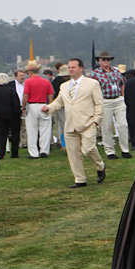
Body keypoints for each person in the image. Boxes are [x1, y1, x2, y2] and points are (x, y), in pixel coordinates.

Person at [42, 58, 106, 188]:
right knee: (73, 153)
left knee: (88, 149)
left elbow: (99, 104)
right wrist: (48, 108)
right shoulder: (64, 86)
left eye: (73, 67)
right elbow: (59, 102)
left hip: (88, 123)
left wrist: (96, 120)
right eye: (69, 67)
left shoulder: (92, 84)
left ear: (81, 68)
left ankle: (100, 165)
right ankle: (80, 179)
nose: (70, 69)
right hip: (70, 125)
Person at [89, 51, 131, 159]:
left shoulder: (116, 71)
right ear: (99, 60)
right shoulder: (95, 74)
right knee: (106, 127)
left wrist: (122, 96)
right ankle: (110, 151)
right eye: (104, 59)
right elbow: (91, 89)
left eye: (108, 59)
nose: (106, 61)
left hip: (118, 100)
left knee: (123, 125)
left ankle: (125, 149)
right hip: (105, 101)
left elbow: (122, 83)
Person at [21, 62, 55, 158]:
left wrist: (23, 107)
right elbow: (50, 95)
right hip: (44, 105)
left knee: (32, 130)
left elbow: (25, 95)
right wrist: (50, 106)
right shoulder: (46, 81)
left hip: (32, 106)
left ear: (30, 72)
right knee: (45, 130)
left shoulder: (28, 82)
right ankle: (44, 150)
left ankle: (33, 153)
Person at [0, 72, 22, 159]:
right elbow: (16, 104)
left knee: (1, 134)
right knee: (15, 134)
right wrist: (17, 114)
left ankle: (0, 153)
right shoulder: (11, 91)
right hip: (12, 115)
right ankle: (14, 153)